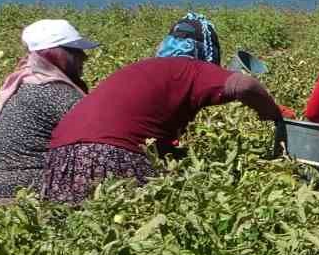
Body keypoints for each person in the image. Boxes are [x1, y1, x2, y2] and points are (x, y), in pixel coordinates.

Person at [41, 12, 285, 202]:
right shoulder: (191, 68)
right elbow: (245, 85)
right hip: (110, 156)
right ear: (206, 52)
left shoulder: (144, 69)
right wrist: (272, 113)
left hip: (59, 163)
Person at [0, 19, 100, 201]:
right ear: (56, 55)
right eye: (75, 52)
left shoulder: (22, 82)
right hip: (27, 191)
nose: (84, 57)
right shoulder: (54, 92)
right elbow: (100, 136)